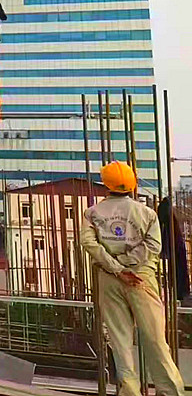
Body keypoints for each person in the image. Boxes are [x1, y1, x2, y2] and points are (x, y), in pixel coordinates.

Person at [80, 162, 184, 396]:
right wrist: (129, 265)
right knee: (155, 339)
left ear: (105, 183)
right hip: (141, 276)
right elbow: (154, 246)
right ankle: (170, 391)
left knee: (120, 341)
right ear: (133, 183)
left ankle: (129, 392)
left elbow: (88, 243)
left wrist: (116, 268)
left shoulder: (93, 213)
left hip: (108, 276)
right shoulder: (146, 213)